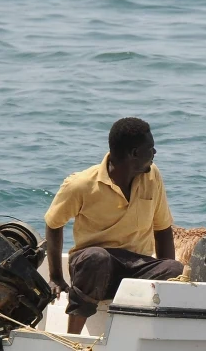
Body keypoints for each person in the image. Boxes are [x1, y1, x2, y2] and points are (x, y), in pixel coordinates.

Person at [44, 117, 182, 334]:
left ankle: (156, 332)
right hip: (92, 265)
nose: (155, 153)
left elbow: (162, 229)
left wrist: (170, 280)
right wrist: (55, 277)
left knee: (174, 269)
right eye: (151, 148)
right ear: (134, 154)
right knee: (97, 258)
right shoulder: (81, 184)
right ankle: (72, 339)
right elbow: (53, 224)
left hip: (136, 266)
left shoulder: (152, 176)